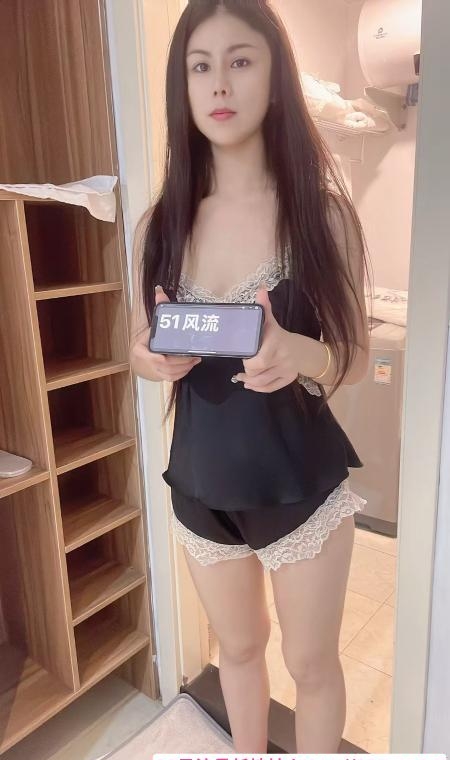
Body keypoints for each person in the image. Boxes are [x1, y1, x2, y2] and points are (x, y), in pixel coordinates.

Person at [130, 0, 373, 752]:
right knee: (236, 653)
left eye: (240, 60)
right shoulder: (159, 225)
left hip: (300, 486)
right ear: (182, 86)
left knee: (311, 666)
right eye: (200, 66)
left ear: (274, 77)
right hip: (199, 486)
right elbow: (138, 344)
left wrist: (299, 353)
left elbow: (357, 359)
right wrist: (148, 358)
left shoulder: (321, 216)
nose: (219, 83)